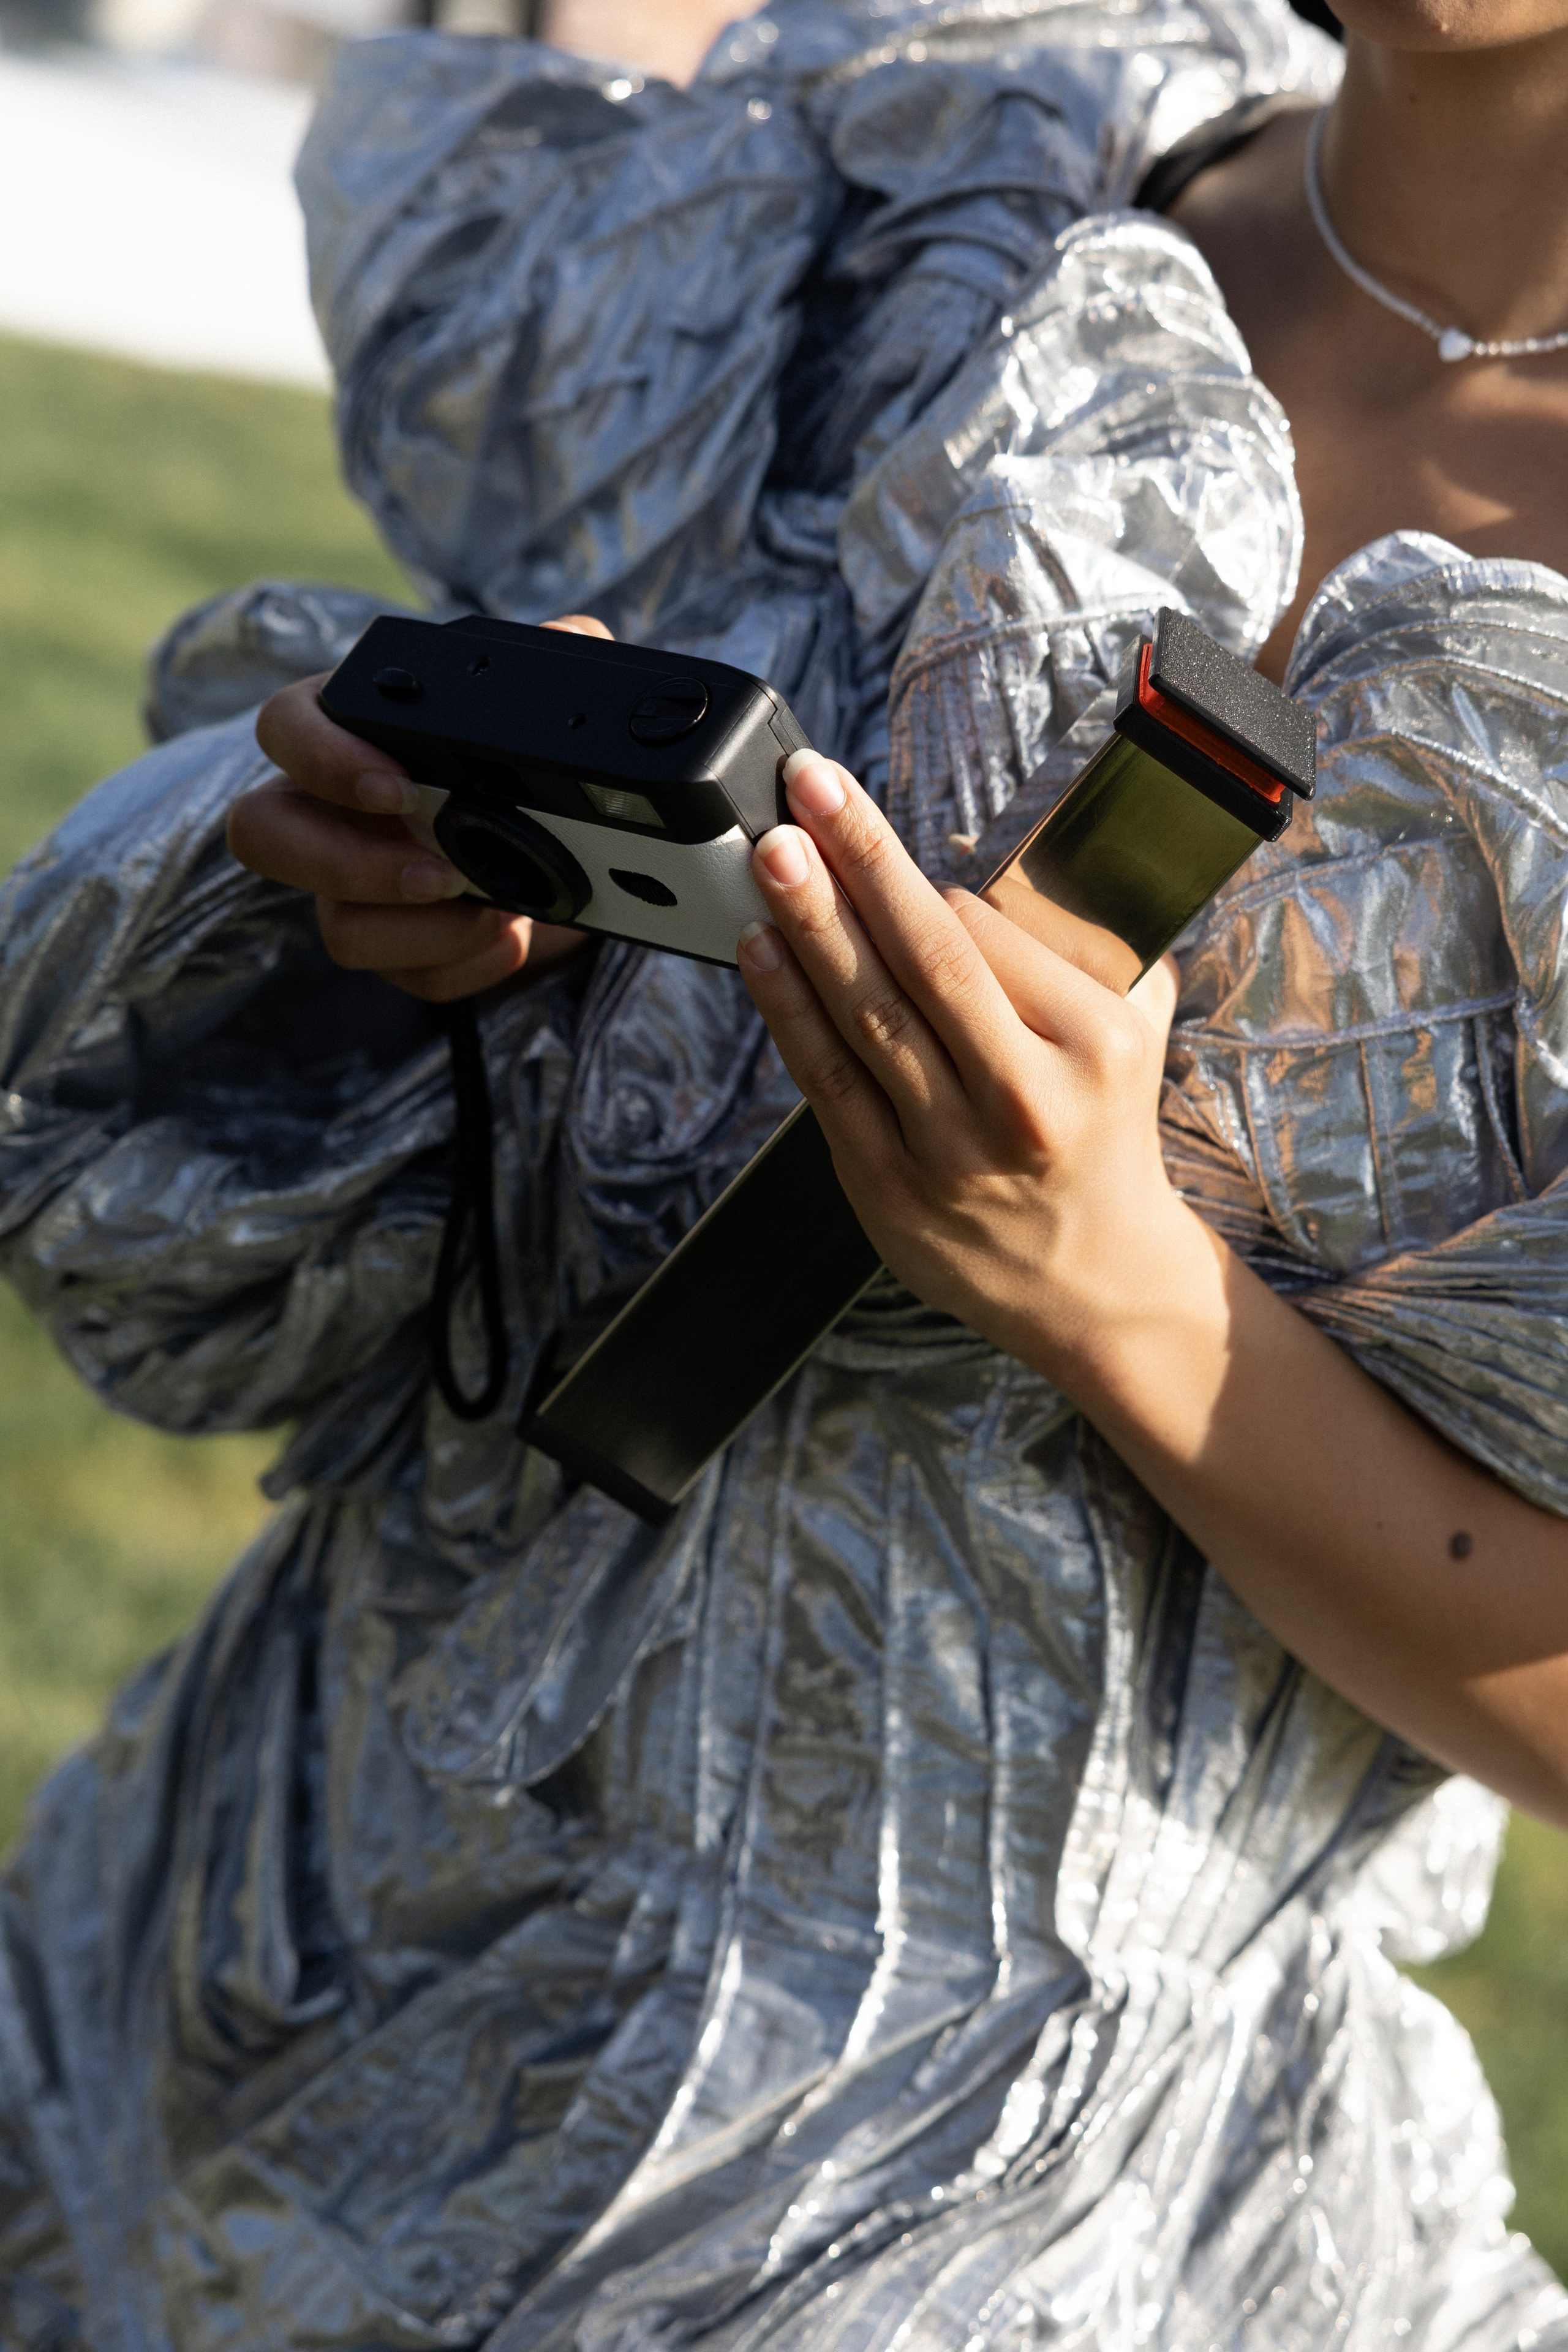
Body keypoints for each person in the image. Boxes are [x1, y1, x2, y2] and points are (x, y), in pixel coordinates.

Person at [4, 0, 1568, 2345]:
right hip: (268, 1964)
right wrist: (447, 908)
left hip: (976, 2218)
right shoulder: (936, 187)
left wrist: (1115, 1288)